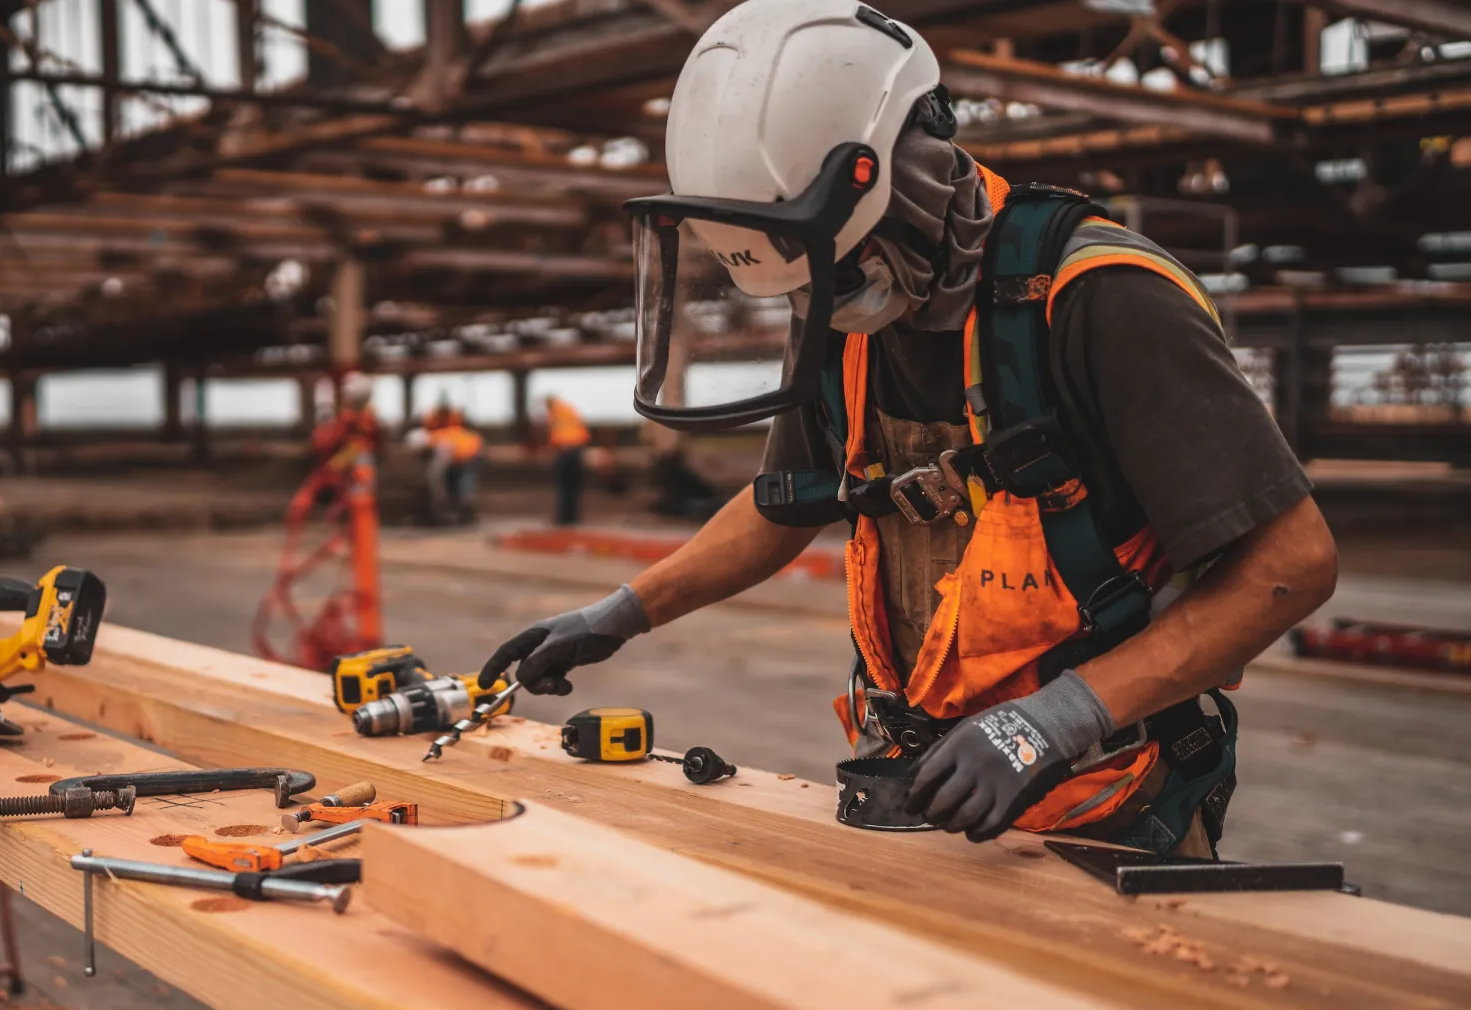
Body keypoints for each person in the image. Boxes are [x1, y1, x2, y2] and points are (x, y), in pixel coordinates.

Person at [479, 0, 1337, 857]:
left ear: (907, 180)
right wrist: (621, 612)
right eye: (810, 284)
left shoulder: (1100, 298)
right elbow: (787, 503)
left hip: (1104, 797)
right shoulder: (841, 304)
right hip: (915, 785)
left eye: (844, 269)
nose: (829, 302)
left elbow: (1292, 565)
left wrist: (1056, 719)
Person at [543, 394, 591, 525]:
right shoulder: (569, 409)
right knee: (573, 486)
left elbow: (554, 432)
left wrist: (551, 451)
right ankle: (573, 518)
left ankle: (563, 519)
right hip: (577, 449)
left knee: (563, 486)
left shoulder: (555, 412)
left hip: (564, 451)